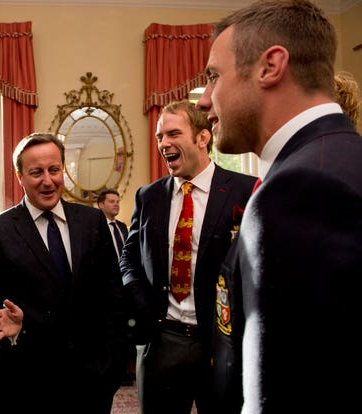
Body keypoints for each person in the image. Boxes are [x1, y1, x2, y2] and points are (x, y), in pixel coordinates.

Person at [195, 1, 362, 412]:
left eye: (214, 77)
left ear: (270, 66)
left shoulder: (300, 190)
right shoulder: (343, 156)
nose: (203, 101)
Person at [0, 132, 130, 414]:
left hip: (90, 382)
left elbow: (113, 295)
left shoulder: (92, 221)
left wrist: (112, 366)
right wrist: (9, 325)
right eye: (36, 172)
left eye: (54, 170)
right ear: (20, 177)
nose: (48, 180)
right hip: (27, 382)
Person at [119, 100, 256, 414]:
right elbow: (129, 256)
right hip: (161, 339)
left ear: (203, 138)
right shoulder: (148, 196)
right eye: (159, 137)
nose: (164, 143)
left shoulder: (244, 191)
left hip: (221, 343)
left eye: (173, 134)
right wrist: (140, 301)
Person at [96, 187, 135, 386]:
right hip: (105, 287)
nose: (116, 204)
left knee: (125, 329)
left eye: (117, 201)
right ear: (100, 204)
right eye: (111, 201)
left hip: (124, 285)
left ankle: (125, 369)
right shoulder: (94, 227)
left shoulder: (122, 227)